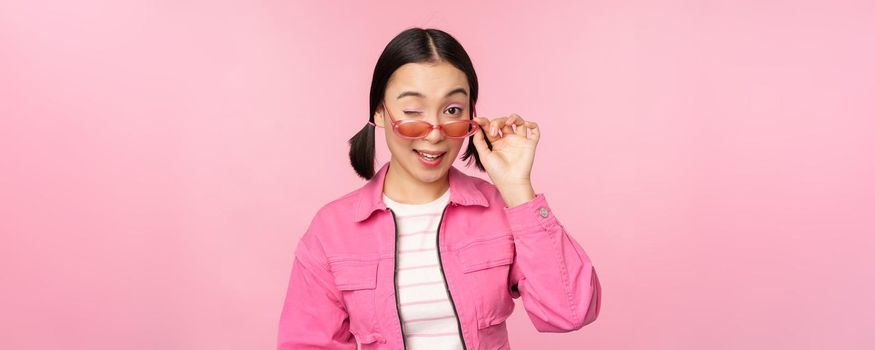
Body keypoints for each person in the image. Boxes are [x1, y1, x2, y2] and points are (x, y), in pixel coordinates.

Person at [277, 27, 601, 350]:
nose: (434, 134)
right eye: (413, 111)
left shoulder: (500, 210)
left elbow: (570, 313)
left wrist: (518, 189)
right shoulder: (332, 229)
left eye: (452, 111)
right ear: (379, 111)